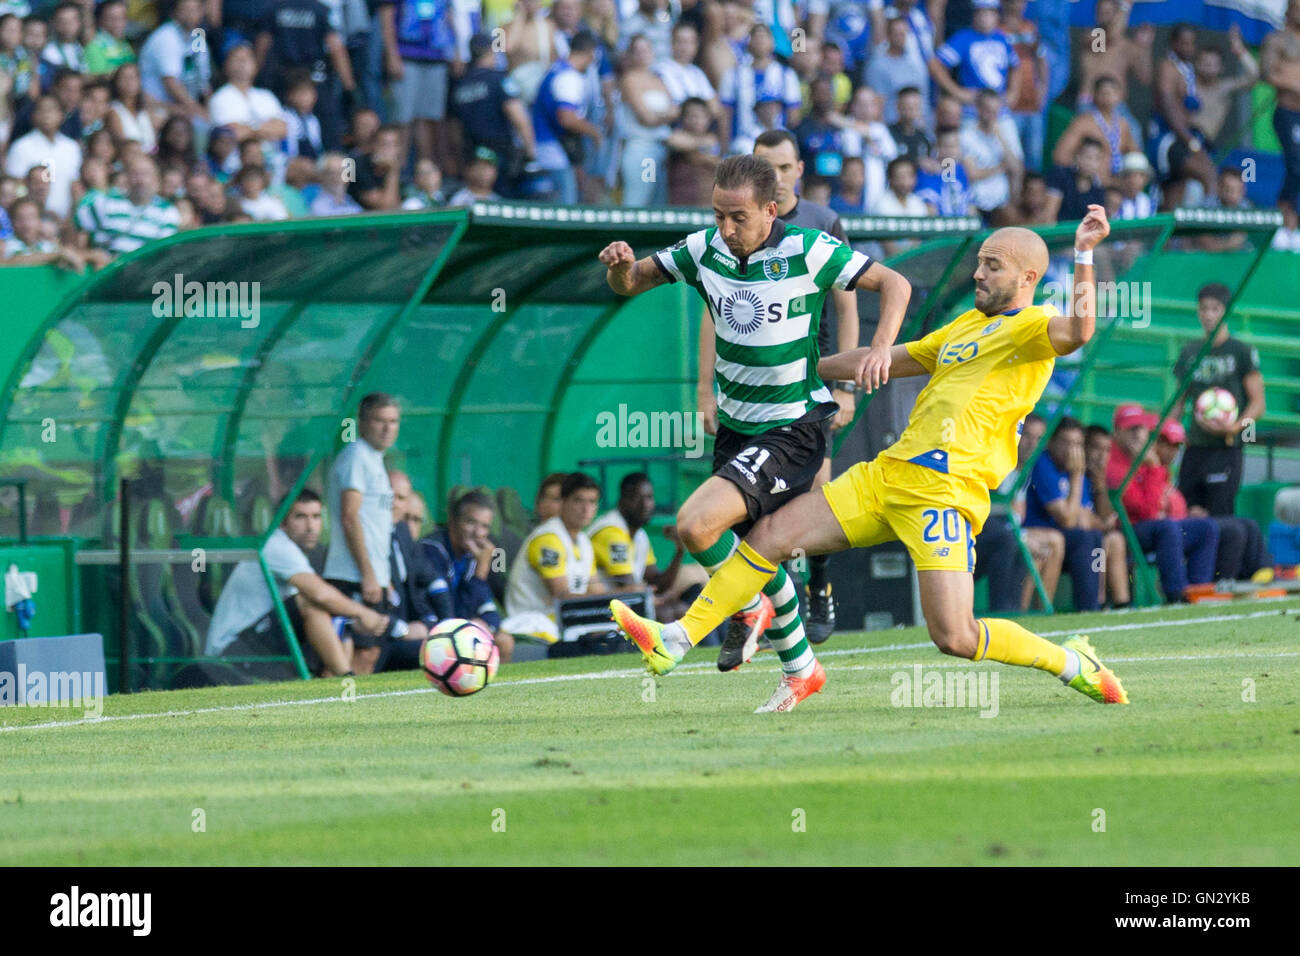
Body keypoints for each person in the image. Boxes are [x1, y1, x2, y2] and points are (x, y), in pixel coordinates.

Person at [613, 207, 1133, 711]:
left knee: (955, 635)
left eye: (991, 266)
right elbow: (887, 360)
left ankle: (1071, 662)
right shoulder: (962, 328)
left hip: (944, 494)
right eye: (979, 261)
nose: (978, 272)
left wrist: (1084, 252)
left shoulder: (1033, 327)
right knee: (768, 537)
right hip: (886, 477)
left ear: (1029, 277)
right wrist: (800, 369)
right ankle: (676, 638)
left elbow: (1079, 332)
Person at [600, 153, 910, 708]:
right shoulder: (704, 248)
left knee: (695, 525)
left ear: (771, 210)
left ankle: (712, 623)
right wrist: (620, 266)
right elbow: (632, 283)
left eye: (737, 217)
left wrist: (881, 348)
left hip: (793, 429)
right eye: (718, 215)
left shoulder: (808, 249)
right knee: (744, 552)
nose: (725, 228)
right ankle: (801, 669)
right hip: (737, 429)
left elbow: (895, 283)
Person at [205, 489, 396, 677]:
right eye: (300, 517)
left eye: (316, 517)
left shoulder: (295, 551)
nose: (310, 526)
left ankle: (333, 679)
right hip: (233, 650)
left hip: (258, 640)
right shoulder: (276, 546)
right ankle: (345, 678)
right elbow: (319, 594)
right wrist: (362, 613)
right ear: (283, 523)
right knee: (311, 602)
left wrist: (352, 619)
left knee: (337, 616)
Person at [1106, 402, 1219, 603]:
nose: (1138, 435)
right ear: (1117, 431)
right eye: (1131, 429)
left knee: (1206, 527)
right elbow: (1148, 511)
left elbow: (1167, 502)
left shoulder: (1143, 456)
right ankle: (1176, 594)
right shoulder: (1114, 463)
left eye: (1141, 428)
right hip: (1127, 530)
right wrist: (1154, 465)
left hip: (1152, 526)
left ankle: (1198, 590)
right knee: (1167, 528)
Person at [1173, 282, 1267, 517]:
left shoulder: (1241, 351)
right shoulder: (1190, 352)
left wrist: (1233, 428)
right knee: (1187, 511)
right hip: (1195, 446)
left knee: (1220, 517)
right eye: (1204, 309)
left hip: (1227, 449)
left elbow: (1258, 404)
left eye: (1215, 309)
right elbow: (1178, 402)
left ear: (1226, 311)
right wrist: (1169, 436)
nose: (1208, 315)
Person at [323, 392, 400, 674]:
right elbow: (349, 517)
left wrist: (383, 576)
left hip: (371, 574)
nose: (387, 428)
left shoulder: (375, 459)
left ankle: (349, 712)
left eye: (393, 421)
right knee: (355, 652)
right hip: (351, 573)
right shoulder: (356, 455)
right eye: (380, 420)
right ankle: (332, 710)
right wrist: (368, 573)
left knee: (370, 651)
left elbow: (375, 525)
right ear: (363, 422)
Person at [1024, 416, 1126, 612]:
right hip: (1041, 530)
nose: (1072, 450)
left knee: (1101, 538)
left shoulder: (1073, 470)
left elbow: (1091, 516)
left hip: (1068, 536)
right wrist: (1077, 475)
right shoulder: (1044, 465)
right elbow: (1070, 520)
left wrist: (1097, 486)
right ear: (1051, 442)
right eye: (1065, 442)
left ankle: (1109, 603)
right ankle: (1088, 607)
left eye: (1078, 444)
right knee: (1087, 539)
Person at [590, 472, 709, 623]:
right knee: (666, 613)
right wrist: (658, 596)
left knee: (690, 608)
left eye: (649, 497)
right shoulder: (611, 531)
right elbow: (629, 587)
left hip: (625, 607)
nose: (645, 505)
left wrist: (680, 550)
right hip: (601, 609)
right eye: (637, 498)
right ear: (622, 501)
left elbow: (657, 584)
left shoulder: (639, 535)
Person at [503, 471, 606, 644]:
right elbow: (562, 596)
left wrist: (630, 599)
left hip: (563, 622)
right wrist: (622, 598)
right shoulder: (548, 538)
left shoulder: (584, 541)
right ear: (564, 502)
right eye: (579, 501)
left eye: (592, 502)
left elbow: (596, 591)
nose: (586, 509)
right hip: (534, 622)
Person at [423, 489, 515, 661]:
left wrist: (488, 624)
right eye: (471, 522)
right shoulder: (431, 550)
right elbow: (449, 612)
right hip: (435, 628)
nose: (478, 533)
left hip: (464, 629)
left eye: (485, 526)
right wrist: (480, 572)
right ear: (452, 521)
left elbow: (490, 603)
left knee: (504, 640)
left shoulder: (483, 551)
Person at [451, 31, 536, 197]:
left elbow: (454, 131)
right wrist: (530, 153)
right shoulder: (497, 79)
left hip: (472, 157)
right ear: (490, 51)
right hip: (499, 155)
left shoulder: (460, 84)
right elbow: (519, 118)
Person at [381, 0, 462, 174]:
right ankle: (397, 173)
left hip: (437, 55)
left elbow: (448, 16)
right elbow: (386, 16)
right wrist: (391, 55)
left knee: (430, 118)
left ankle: (426, 173)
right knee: (402, 117)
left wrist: (455, 51)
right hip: (406, 55)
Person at [530, 28, 602, 205]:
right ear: (591, 53)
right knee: (564, 206)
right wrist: (594, 133)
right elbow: (567, 118)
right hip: (552, 150)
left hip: (550, 148)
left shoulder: (556, 69)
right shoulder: (569, 77)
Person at [1150, 23, 1216, 208]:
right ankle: (1211, 223)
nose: (1188, 48)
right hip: (1168, 138)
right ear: (1173, 43)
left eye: (1192, 43)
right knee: (1207, 173)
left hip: (1183, 136)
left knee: (1175, 191)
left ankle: (1171, 236)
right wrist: (1190, 142)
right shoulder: (1167, 68)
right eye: (1184, 43)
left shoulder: (1187, 69)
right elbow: (1168, 108)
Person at [75, 155, 179, 254]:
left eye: (145, 174)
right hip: (105, 268)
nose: (140, 180)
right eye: (135, 174)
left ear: (156, 178)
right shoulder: (104, 203)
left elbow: (164, 253)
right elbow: (80, 237)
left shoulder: (168, 212)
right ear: (126, 177)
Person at [4, 94, 81, 219]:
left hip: (64, 221)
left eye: (51, 109)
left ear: (62, 115)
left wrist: (71, 221)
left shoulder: (72, 148)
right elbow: (15, 187)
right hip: (30, 223)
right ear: (33, 115)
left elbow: (75, 188)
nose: (46, 114)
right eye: (41, 110)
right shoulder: (21, 147)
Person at [1053, 76, 1139, 181]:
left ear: (1120, 96)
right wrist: (1084, 172)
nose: (1108, 97)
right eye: (1104, 93)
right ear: (1094, 95)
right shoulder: (1083, 122)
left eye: (1112, 93)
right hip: (1089, 184)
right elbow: (1060, 155)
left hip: (1115, 186)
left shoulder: (1123, 125)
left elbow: (1136, 156)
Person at [138, 0, 212, 123]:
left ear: (202, 11)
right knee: (198, 123)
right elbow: (171, 83)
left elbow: (204, 84)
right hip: (156, 105)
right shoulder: (166, 36)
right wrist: (199, 111)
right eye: (186, 9)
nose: (191, 14)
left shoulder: (197, 37)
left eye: (195, 9)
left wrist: (210, 110)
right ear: (175, 12)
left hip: (183, 107)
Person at [386, 470, 434, 641]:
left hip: (409, 627)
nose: (409, 525)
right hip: (387, 633)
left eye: (416, 520)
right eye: (407, 518)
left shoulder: (419, 549)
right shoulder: (434, 547)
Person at [1263, 0, 1300, 218]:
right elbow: (1266, 74)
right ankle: (1284, 217)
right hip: (1288, 112)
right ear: (1288, 10)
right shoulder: (1276, 40)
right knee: (1296, 166)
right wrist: (1293, 85)